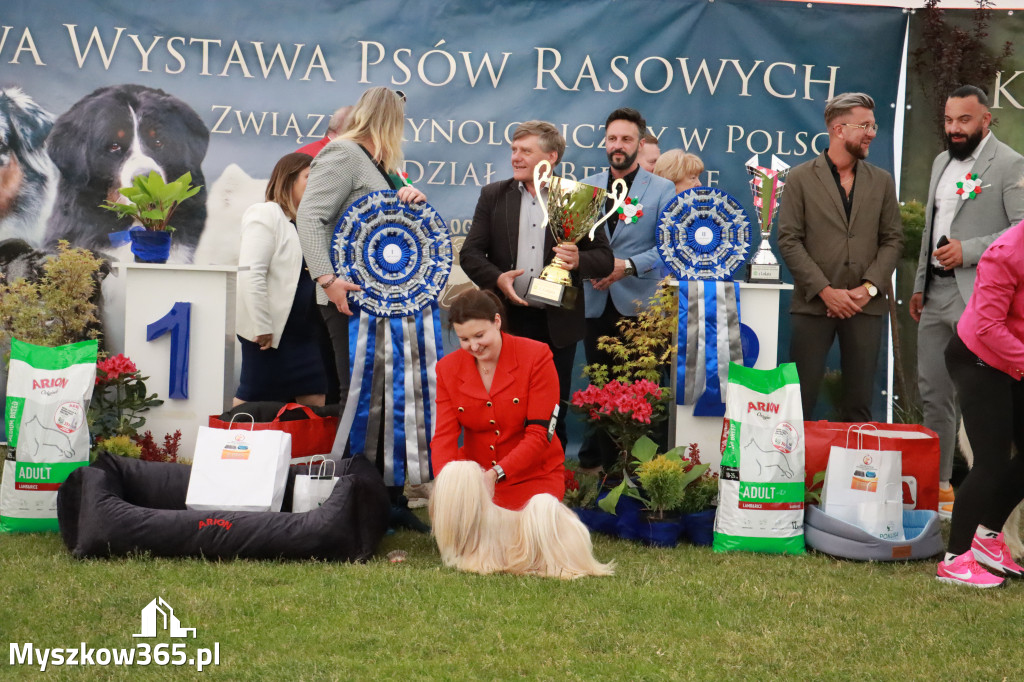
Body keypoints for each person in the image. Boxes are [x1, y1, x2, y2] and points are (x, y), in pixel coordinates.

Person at [296, 87, 429, 530]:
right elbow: (309, 216)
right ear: (390, 119)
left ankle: (388, 500)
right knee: (360, 404)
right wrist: (327, 280)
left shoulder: (383, 167)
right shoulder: (344, 154)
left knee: (388, 402)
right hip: (348, 303)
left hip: (384, 305)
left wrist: (409, 200)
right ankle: (358, 503)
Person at [460, 120, 613, 448]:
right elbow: (470, 254)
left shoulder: (576, 198)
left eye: (525, 151)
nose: (515, 157)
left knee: (552, 406)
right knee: (504, 407)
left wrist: (579, 261)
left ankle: (553, 477)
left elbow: (604, 258)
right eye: (514, 150)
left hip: (557, 323)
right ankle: (503, 475)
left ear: (551, 156)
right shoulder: (493, 195)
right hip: (507, 322)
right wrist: (497, 279)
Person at [909, 85, 1024, 519]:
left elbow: (1021, 230)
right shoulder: (941, 162)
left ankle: (986, 495)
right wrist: (920, 283)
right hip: (935, 295)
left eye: (965, 120)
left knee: (980, 405)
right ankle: (938, 490)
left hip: (981, 304)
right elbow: (930, 229)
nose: (955, 129)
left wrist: (969, 249)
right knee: (933, 393)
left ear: (986, 120)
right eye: (949, 120)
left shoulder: (1011, 164)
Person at [777, 92, 903, 421]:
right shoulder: (801, 178)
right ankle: (794, 472)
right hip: (813, 304)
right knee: (799, 401)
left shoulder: (882, 181)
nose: (872, 133)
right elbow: (789, 240)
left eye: (874, 125)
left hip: (866, 307)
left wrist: (869, 289)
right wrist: (825, 291)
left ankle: (854, 473)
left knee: (859, 404)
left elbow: (893, 239)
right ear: (838, 129)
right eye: (865, 125)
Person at [579, 108, 676, 471]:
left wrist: (626, 267)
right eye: (613, 139)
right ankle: (607, 474)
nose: (618, 146)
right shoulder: (586, 186)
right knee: (602, 395)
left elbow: (667, 245)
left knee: (640, 395)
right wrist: (590, 267)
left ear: (640, 143)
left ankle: (641, 476)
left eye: (627, 139)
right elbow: (574, 241)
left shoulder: (662, 189)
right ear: (605, 142)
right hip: (595, 303)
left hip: (640, 308)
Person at [936, 219, 1024, 587]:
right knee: (990, 461)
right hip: (978, 357)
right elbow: (987, 327)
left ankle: (988, 538)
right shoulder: (1005, 253)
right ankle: (954, 561)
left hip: (1014, 359)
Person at [431, 289, 566, 511]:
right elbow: (444, 437)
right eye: (464, 339)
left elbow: (540, 434)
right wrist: (446, 483)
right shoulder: (446, 369)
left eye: (479, 335)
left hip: (533, 476)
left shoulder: (537, 357)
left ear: (497, 321)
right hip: (476, 480)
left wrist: (495, 474)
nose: (473, 346)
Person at [234, 152, 326, 407]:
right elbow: (251, 273)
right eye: (310, 177)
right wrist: (262, 325)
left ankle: (308, 449)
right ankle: (235, 445)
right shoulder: (266, 214)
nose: (317, 183)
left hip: (305, 334)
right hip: (269, 335)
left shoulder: (310, 223)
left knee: (315, 398)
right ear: (289, 180)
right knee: (252, 401)